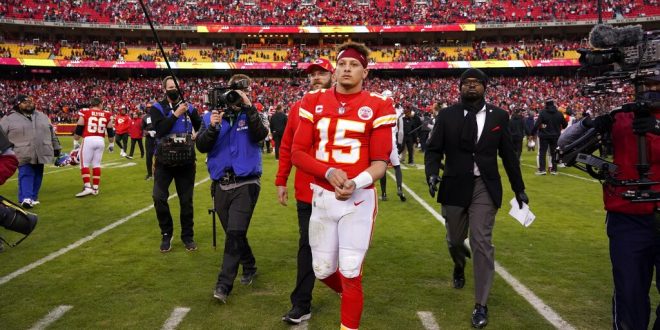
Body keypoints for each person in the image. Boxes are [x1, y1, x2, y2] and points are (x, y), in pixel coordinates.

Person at [291, 42, 396, 330]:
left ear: (365, 71)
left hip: (358, 200)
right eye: (342, 64)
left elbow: (380, 162)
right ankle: (351, 295)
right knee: (322, 269)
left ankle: (349, 315)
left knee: (350, 270)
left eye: (353, 65)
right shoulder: (313, 101)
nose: (347, 69)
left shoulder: (378, 104)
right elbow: (297, 153)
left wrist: (355, 181)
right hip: (322, 197)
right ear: (335, 70)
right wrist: (328, 171)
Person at [424, 69, 528, 329]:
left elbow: (508, 156)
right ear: (459, 88)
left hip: (485, 185)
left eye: (476, 83)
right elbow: (434, 149)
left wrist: (519, 188)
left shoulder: (499, 116)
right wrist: (432, 174)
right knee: (455, 240)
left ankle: (481, 304)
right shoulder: (446, 115)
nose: (471, 87)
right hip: (454, 184)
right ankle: (459, 265)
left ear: (485, 87)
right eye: (466, 83)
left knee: (481, 241)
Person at [581, 73, 660, 329]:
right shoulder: (620, 116)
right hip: (628, 218)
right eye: (645, 83)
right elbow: (565, 145)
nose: (650, 89)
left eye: (656, 83)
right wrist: (591, 124)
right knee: (630, 295)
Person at [196, 74, 269, 304]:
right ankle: (249, 265)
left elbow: (261, 135)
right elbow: (201, 146)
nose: (236, 95)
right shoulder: (211, 117)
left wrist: (248, 108)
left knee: (236, 232)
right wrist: (214, 127)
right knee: (233, 233)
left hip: (247, 181)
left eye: (242, 91)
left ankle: (223, 285)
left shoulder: (255, 113)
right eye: (234, 91)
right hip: (221, 183)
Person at [275, 57, 334, 324]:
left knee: (343, 247)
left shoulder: (344, 106)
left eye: (322, 72)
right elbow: (286, 146)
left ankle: (347, 289)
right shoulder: (297, 108)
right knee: (307, 246)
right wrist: (280, 180)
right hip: (307, 191)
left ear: (332, 76)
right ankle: (301, 303)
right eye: (312, 73)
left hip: (339, 189)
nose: (316, 77)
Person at [150, 76, 202, 253]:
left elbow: (201, 126)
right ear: (164, 89)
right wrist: (175, 114)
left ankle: (188, 236)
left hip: (186, 162)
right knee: (158, 197)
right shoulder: (157, 108)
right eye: (170, 87)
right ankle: (166, 233)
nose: (174, 89)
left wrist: (197, 134)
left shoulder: (190, 107)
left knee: (186, 201)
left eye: (176, 86)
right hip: (164, 161)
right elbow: (160, 131)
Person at [0, 94, 61, 208]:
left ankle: (32, 197)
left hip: (41, 150)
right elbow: (1, 134)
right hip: (20, 151)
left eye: (30, 102)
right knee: (26, 173)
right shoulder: (8, 118)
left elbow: (51, 132)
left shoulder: (42, 115)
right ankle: (26, 198)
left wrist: (56, 147)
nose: (29, 104)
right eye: (25, 102)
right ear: (18, 104)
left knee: (38, 174)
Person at [72, 98, 115, 197]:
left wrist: (75, 141)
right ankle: (95, 188)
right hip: (100, 140)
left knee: (84, 164)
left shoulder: (85, 112)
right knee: (96, 164)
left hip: (88, 139)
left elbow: (79, 127)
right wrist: (111, 144)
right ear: (100, 104)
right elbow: (110, 131)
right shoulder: (107, 114)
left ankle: (87, 188)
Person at [378, 89, 406, 202]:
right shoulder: (398, 111)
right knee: (397, 166)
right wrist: (400, 143)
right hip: (392, 141)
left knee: (382, 168)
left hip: (381, 142)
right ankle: (399, 188)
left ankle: (384, 194)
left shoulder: (378, 111)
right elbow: (401, 131)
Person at [532, 99, 567, 175]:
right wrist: (558, 127)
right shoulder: (559, 113)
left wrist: (532, 133)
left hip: (544, 135)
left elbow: (537, 124)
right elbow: (565, 124)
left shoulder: (543, 113)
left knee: (542, 152)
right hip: (555, 136)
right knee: (554, 152)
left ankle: (542, 170)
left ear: (546, 104)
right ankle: (554, 170)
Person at [142, 101, 156, 180]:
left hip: (158, 138)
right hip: (149, 140)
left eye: (150, 107)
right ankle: (149, 174)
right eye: (148, 107)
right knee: (149, 157)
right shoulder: (145, 117)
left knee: (159, 157)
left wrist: (157, 132)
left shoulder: (158, 115)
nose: (149, 109)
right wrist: (148, 132)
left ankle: (158, 173)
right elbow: (142, 130)